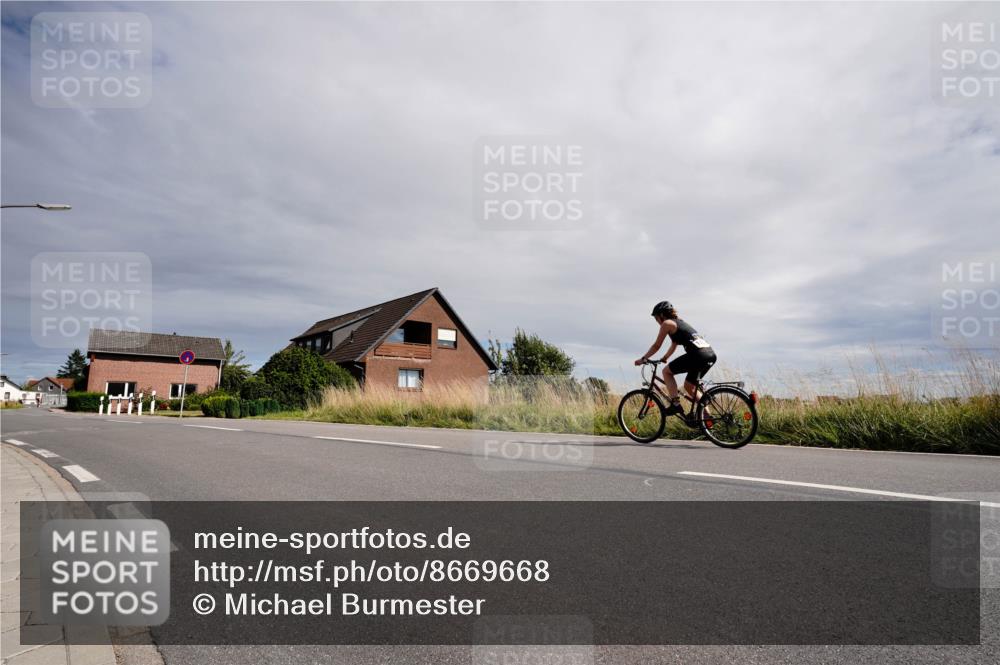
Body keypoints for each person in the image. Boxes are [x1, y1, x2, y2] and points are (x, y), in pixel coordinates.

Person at [634, 301, 716, 415]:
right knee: (689, 386)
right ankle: (707, 419)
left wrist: (643, 359)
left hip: (697, 355)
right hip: (709, 355)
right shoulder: (679, 323)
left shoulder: (666, 323)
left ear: (661, 315)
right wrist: (665, 357)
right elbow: (674, 344)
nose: (657, 321)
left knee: (666, 372)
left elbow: (656, 345)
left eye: (656, 318)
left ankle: (675, 404)